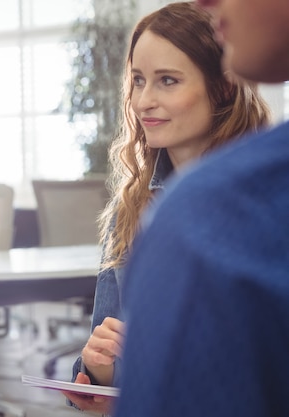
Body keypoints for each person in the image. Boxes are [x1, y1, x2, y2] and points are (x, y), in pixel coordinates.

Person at [63, 2, 271, 414]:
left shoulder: (266, 199)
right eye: (138, 81)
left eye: (168, 81)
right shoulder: (130, 209)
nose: (143, 101)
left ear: (224, 85)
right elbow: (98, 380)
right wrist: (98, 371)